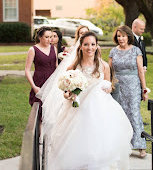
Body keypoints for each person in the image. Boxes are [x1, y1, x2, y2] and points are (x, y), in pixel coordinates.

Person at [45, 31, 133, 169]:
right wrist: (69, 95)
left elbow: (109, 87)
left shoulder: (103, 66)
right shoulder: (73, 67)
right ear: (80, 46)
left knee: (100, 144)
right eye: (86, 44)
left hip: (99, 112)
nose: (89, 48)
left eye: (93, 44)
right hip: (77, 112)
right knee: (76, 143)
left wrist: (106, 88)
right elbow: (66, 93)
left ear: (97, 46)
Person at [109, 25, 149, 158]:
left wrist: (144, 89)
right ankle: (122, 145)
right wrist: (109, 85)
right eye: (119, 36)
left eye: (123, 36)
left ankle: (140, 146)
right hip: (117, 86)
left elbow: (140, 72)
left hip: (133, 86)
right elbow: (109, 71)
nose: (121, 39)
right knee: (119, 114)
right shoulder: (113, 52)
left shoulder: (136, 50)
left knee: (134, 113)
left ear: (128, 37)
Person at [25, 26, 57, 120]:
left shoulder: (53, 48)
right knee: (40, 113)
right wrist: (34, 87)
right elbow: (27, 70)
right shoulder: (33, 49)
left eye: (51, 37)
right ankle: (40, 134)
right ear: (40, 37)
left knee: (52, 112)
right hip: (39, 82)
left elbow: (56, 66)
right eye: (46, 37)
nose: (49, 39)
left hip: (52, 83)